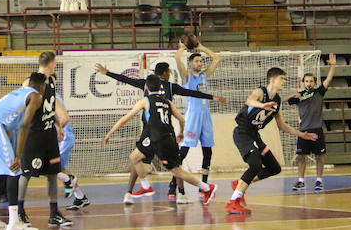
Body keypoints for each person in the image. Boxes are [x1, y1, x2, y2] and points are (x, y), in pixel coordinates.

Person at [95, 61, 225, 203]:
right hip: (165, 132)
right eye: (168, 72)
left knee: (142, 160)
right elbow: (188, 101)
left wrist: (107, 73)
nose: (169, 74)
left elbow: (126, 80)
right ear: (163, 74)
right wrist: (181, 132)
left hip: (154, 133)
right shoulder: (167, 99)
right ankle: (133, 192)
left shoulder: (146, 95)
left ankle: (182, 191)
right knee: (144, 160)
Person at [225, 67, 317, 214]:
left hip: (255, 135)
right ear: (272, 80)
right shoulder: (260, 92)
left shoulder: (277, 101)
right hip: (243, 132)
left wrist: (302, 134)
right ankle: (233, 202)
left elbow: (282, 126)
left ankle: (240, 184)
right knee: (255, 164)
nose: (284, 82)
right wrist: (262, 105)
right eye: (282, 79)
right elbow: (249, 100)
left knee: (274, 168)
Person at [0, 73, 46, 230]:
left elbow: (9, 123)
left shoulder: (19, 92)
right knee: (13, 171)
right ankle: (14, 223)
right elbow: (24, 126)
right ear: (41, 86)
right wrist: (18, 156)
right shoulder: (36, 96)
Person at [17, 51, 72, 227]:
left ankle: (54, 213)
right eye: (54, 63)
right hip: (34, 136)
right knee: (27, 174)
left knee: (53, 173)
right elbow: (22, 107)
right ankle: (18, 211)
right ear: (51, 63)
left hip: (49, 135)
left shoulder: (52, 81)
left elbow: (50, 106)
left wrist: (58, 125)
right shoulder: (29, 82)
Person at [174, 42, 222, 201]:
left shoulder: (204, 76)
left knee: (208, 151)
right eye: (196, 61)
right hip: (193, 117)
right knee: (184, 152)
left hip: (205, 116)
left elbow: (216, 58)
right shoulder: (187, 76)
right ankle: (173, 183)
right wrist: (182, 48)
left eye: (201, 61)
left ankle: (205, 186)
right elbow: (177, 58)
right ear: (190, 63)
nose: (200, 63)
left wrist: (200, 47)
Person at [287, 53, 337, 192]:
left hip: (317, 129)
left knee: (319, 156)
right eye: (306, 81)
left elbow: (328, 79)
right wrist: (292, 95)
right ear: (303, 82)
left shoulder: (319, 92)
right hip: (303, 131)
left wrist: (333, 66)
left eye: (311, 81)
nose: (309, 83)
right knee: (301, 157)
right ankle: (301, 181)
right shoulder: (299, 95)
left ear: (315, 82)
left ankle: (319, 181)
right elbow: (282, 100)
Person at [55, 94, 90, 211]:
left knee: (50, 166)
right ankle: (81, 197)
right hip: (62, 138)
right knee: (61, 169)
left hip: (63, 138)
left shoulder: (53, 97)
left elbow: (64, 118)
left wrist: (57, 131)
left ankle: (70, 179)